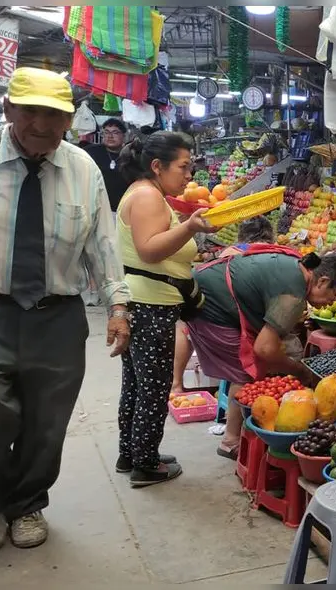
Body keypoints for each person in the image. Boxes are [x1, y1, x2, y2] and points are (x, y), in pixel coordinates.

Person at [0, 67, 130, 551]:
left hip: (57, 315)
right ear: (8, 111)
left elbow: (102, 244)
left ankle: (27, 503)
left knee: (47, 421)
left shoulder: (83, 168)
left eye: (54, 114)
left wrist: (119, 304)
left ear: (70, 120)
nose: (41, 124)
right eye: (30, 111)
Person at [116, 131, 213, 487]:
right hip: (149, 305)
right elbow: (150, 250)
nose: (189, 175)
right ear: (157, 166)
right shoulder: (147, 196)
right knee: (153, 388)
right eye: (183, 167)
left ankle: (133, 453)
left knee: (137, 384)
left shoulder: (149, 193)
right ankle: (145, 463)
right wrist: (189, 226)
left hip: (143, 302)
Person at [186, 252, 336, 459]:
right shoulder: (294, 294)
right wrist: (298, 370)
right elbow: (264, 349)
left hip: (208, 291)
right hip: (210, 306)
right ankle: (230, 441)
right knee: (247, 372)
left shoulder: (297, 269)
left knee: (255, 367)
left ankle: (238, 434)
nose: (331, 303)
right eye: (334, 295)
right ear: (323, 281)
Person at [170, 215, 276, 394]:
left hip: (200, 302)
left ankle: (176, 384)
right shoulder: (269, 254)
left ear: (241, 235)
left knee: (183, 327)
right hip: (232, 315)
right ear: (270, 235)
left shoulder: (231, 250)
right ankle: (251, 388)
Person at [83, 118, 130, 212]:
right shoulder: (90, 152)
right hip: (95, 207)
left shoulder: (129, 156)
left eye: (115, 132)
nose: (110, 136)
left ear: (124, 136)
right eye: (106, 132)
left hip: (121, 209)